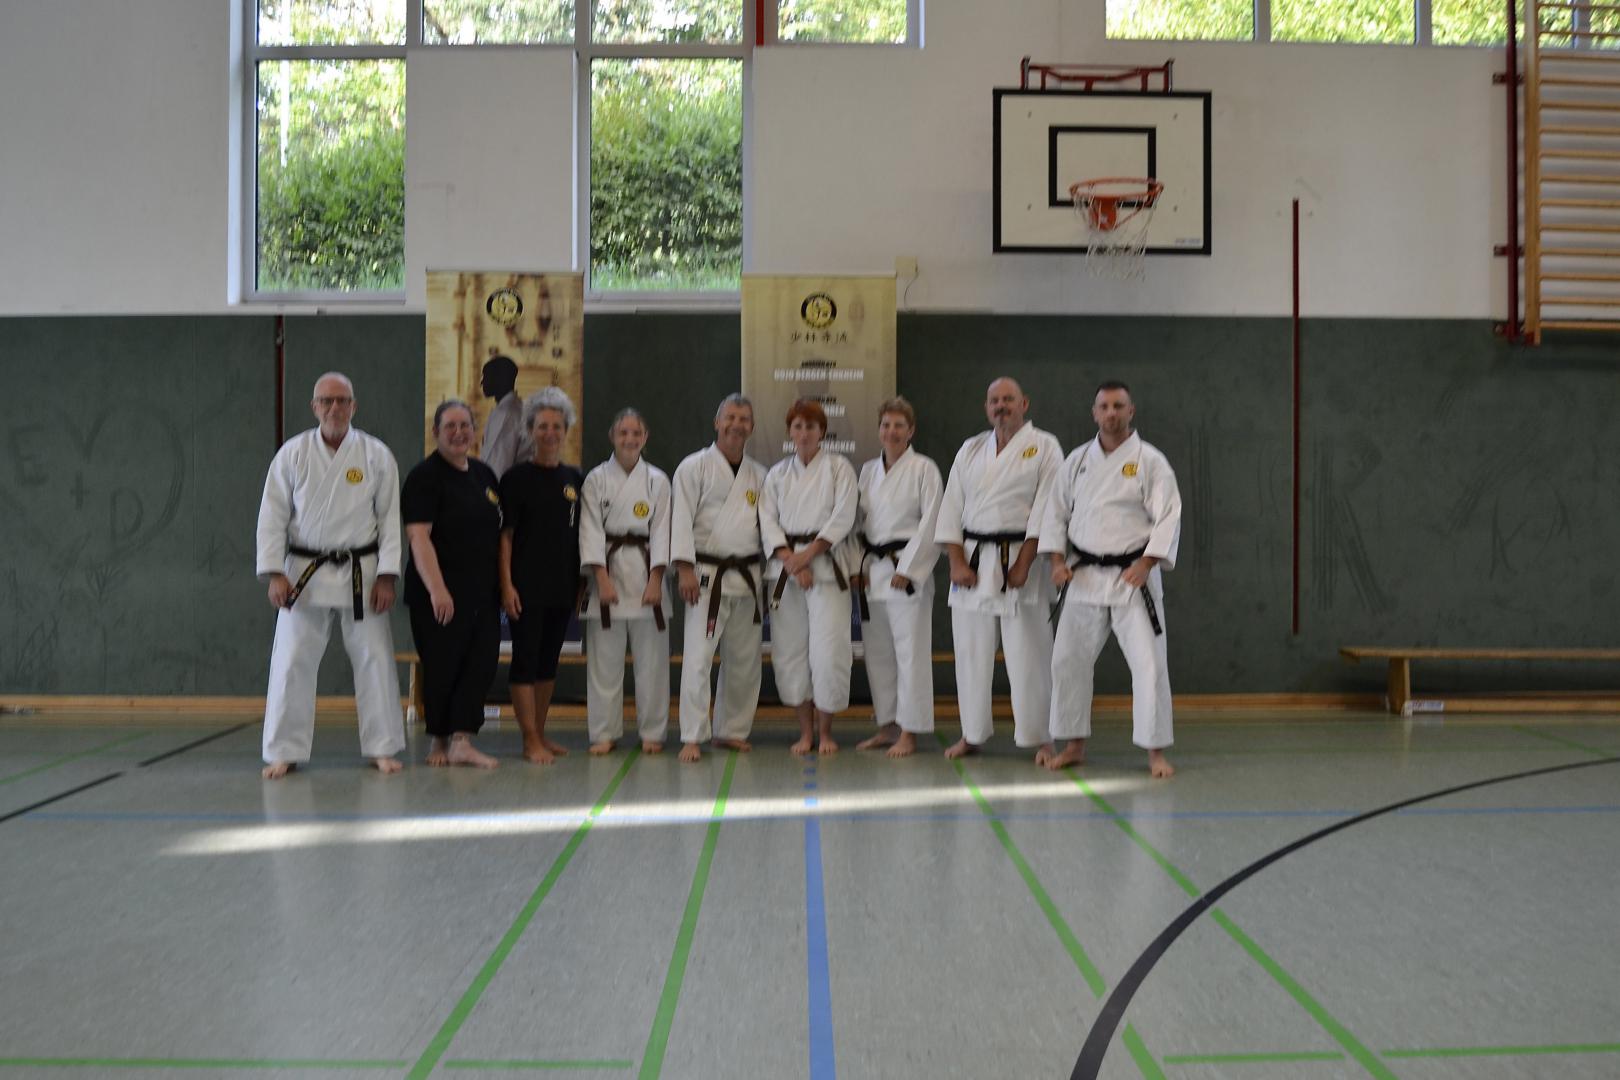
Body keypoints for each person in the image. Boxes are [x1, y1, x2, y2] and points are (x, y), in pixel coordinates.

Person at [255, 372, 405, 778]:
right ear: (314, 407)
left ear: (354, 406)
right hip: (303, 573)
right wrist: (274, 573)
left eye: (342, 401)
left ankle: (382, 746)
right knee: (291, 660)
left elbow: (389, 520)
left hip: (363, 573)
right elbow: (272, 517)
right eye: (326, 401)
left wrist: (388, 576)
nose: (334, 408)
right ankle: (284, 750)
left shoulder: (375, 455)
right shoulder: (292, 453)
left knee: (374, 659)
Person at [1040, 381, 1181, 779]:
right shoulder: (1077, 460)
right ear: (1094, 412)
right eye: (1104, 406)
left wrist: (1147, 563)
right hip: (1083, 575)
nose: (1111, 413)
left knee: (1149, 664)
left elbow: (1168, 516)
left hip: (1132, 577)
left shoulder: (1150, 461)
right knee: (1067, 660)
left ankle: (1155, 751)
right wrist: (1056, 561)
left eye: (1119, 406)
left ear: (1131, 411)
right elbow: (1055, 514)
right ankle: (1073, 745)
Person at [935, 377, 1062, 763]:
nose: (1001, 406)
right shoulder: (971, 448)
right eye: (994, 400)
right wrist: (956, 560)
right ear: (987, 407)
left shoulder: (1045, 446)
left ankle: (1042, 737)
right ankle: (972, 734)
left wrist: (1025, 562)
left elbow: (1048, 507)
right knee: (970, 653)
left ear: (1024, 403)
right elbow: (951, 506)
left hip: (1020, 560)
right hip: (973, 561)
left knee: (1030, 653)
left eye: (1008, 399)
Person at [401, 400, 503, 769]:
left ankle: (461, 740)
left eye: (465, 426)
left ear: (475, 431)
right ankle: (439, 740)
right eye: (450, 426)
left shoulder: (484, 475)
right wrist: (437, 589)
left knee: (481, 663)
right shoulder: (424, 477)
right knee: (443, 664)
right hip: (439, 590)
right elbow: (419, 537)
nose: (459, 433)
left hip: (482, 592)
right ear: (436, 432)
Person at [670, 394, 768, 763]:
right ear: (717, 422)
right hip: (705, 577)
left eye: (744, 419)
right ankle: (693, 735)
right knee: (698, 659)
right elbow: (680, 519)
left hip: (747, 576)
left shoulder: (760, 475)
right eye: (730, 417)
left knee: (744, 660)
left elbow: (768, 527)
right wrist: (684, 569)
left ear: (751, 428)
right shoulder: (693, 467)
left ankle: (732, 730)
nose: (736, 425)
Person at [760, 399, 858, 756]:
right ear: (790, 431)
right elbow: (767, 520)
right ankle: (805, 731)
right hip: (786, 572)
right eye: (798, 426)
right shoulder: (777, 475)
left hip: (827, 569)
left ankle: (826, 731)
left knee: (829, 651)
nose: (804, 433)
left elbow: (843, 516)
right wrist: (792, 561)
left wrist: (807, 556)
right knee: (790, 652)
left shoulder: (839, 468)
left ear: (822, 432)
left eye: (811, 427)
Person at [850, 398, 944, 759]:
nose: (891, 432)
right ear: (879, 430)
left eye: (899, 425)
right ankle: (887, 725)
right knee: (879, 655)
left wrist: (908, 569)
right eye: (886, 425)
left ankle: (909, 730)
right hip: (873, 572)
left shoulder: (924, 469)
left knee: (910, 654)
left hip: (907, 573)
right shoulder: (867, 472)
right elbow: (858, 525)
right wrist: (857, 567)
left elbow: (932, 521)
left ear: (911, 430)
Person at [500, 387, 585, 765]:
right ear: (530, 430)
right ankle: (528, 738)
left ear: (566, 430)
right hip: (525, 586)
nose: (550, 433)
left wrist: (580, 585)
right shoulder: (515, 479)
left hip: (562, 585)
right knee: (526, 660)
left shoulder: (574, 479)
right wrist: (506, 585)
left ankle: (541, 730)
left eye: (557, 426)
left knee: (549, 661)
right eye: (542, 426)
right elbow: (505, 538)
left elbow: (579, 536)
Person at [579, 408, 671, 755]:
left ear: (645, 438)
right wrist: (601, 579)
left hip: (648, 577)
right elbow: (589, 529)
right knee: (604, 665)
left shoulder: (658, 481)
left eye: (636, 433)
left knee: (653, 666)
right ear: (612, 437)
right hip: (608, 577)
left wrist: (656, 578)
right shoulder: (596, 479)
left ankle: (653, 732)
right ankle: (604, 732)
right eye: (623, 433)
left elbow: (663, 531)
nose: (629, 439)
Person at [479, 355, 524, 479]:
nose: (482, 383)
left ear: (500, 380)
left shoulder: (506, 414)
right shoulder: (515, 408)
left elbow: (497, 466)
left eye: (486, 377)